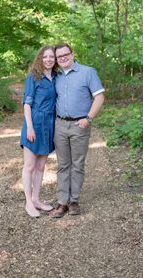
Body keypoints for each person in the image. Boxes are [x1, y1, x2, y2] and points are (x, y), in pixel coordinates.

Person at [49, 43, 105, 218]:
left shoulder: (88, 72)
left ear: (73, 54)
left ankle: (74, 201)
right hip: (60, 125)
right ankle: (62, 202)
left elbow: (99, 96)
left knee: (77, 164)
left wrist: (88, 118)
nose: (63, 58)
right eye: (59, 57)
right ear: (57, 60)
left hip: (79, 125)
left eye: (66, 54)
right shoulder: (55, 76)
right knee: (63, 164)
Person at [19, 45, 58, 218]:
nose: (49, 59)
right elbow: (27, 103)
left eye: (52, 57)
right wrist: (30, 127)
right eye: (45, 56)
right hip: (34, 122)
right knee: (29, 165)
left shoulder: (57, 77)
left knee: (41, 166)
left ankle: (36, 199)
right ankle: (28, 202)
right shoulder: (33, 77)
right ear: (40, 59)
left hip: (49, 124)